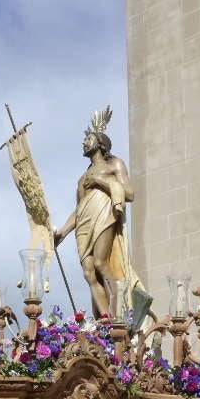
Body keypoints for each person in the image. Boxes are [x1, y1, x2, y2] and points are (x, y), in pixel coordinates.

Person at [52, 106, 149, 319]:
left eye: (88, 139)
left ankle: (120, 311)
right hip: (85, 224)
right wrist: (62, 234)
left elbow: (130, 193)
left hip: (104, 217)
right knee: (89, 272)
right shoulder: (82, 179)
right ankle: (105, 321)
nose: (84, 143)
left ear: (100, 143)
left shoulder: (114, 164)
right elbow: (79, 211)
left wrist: (101, 181)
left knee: (100, 263)